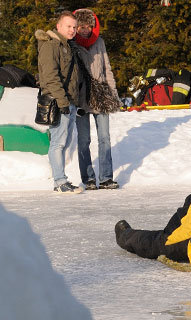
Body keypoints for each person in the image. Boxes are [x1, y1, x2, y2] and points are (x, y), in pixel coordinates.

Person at [35, 11, 88, 193]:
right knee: (57, 142)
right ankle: (59, 182)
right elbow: (50, 77)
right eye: (69, 26)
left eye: (74, 27)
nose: (72, 30)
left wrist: (75, 102)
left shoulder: (67, 46)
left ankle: (61, 179)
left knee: (64, 142)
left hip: (70, 102)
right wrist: (63, 101)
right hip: (59, 102)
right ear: (58, 26)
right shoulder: (51, 46)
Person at [73, 8, 119, 190]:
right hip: (82, 97)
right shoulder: (72, 44)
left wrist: (113, 93)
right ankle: (88, 178)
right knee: (84, 140)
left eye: (88, 26)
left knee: (104, 138)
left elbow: (107, 68)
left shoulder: (99, 42)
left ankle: (106, 177)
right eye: (81, 26)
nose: (85, 30)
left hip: (102, 97)